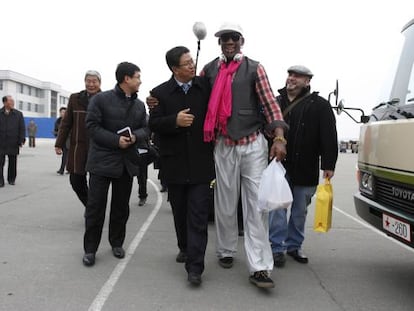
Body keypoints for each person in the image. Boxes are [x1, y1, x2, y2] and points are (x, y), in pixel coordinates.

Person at [200, 23, 287, 288]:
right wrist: (158, 100)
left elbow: (270, 103)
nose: (229, 42)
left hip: (252, 144)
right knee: (225, 202)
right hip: (223, 143)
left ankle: (260, 266)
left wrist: (280, 137)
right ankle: (226, 250)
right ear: (219, 42)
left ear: (242, 41)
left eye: (233, 38)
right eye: (224, 38)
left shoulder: (254, 67)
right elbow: (194, 95)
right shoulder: (210, 69)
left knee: (255, 205)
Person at [149, 46, 214, 286]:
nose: (192, 66)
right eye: (186, 63)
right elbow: (153, 124)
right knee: (180, 212)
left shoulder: (205, 86)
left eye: (191, 61)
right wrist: (173, 121)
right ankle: (184, 247)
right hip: (173, 164)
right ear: (174, 69)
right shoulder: (159, 93)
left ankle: (195, 268)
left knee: (198, 215)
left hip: (200, 164)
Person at [269, 65, 338, 267]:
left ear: (307, 81)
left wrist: (328, 164)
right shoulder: (276, 101)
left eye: (297, 76)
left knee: (300, 210)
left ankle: (294, 245)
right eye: (289, 74)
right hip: (279, 166)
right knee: (277, 208)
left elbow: (329, 136)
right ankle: (276, 247)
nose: (291, 78)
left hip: (306, 166)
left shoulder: (320, 105)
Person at [82, 62, 149, 267]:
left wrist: (134, 137)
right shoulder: (101, 100)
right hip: (101, 163)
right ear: (126, 79)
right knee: (95, 208)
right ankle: (90, 249)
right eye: (137, 76)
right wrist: (115, 140)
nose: (140, 80)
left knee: (121, 207)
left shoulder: (139, 105)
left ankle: (117, 242)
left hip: (126, 164)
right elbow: (91, 126)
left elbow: (146, 129)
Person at [55, 70, 101, 207]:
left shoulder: (105, 98)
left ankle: (94, 212)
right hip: (78, 148)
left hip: (98, 148)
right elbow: (66, 123)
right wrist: (59, 143)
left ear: (99, 83)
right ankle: (90, 206)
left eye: (94, 81)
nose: (91, 84)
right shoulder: (75, 98)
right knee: (75, 180)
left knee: (97, 184)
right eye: (88, 81)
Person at [0, 96, 26, 187]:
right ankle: (0, 181)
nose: (13, 103)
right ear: (5, 102)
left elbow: (22, 128)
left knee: (12, 162)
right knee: (0, 162)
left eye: (13, 101)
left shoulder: (18, 114)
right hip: (1, 142)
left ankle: (11, 179)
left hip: (13, 142)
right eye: (11, 101)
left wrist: (21, 139)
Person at [54, 107, 68, 175]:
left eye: (64, 112)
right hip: (61, 140)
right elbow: (56, 130)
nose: (63, 113)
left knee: (65, 156)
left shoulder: (69, 120)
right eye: (62, 112)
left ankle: (62, 170)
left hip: (68, 141)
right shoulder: (58, 121)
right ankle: (68, 169)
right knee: (66, 156)